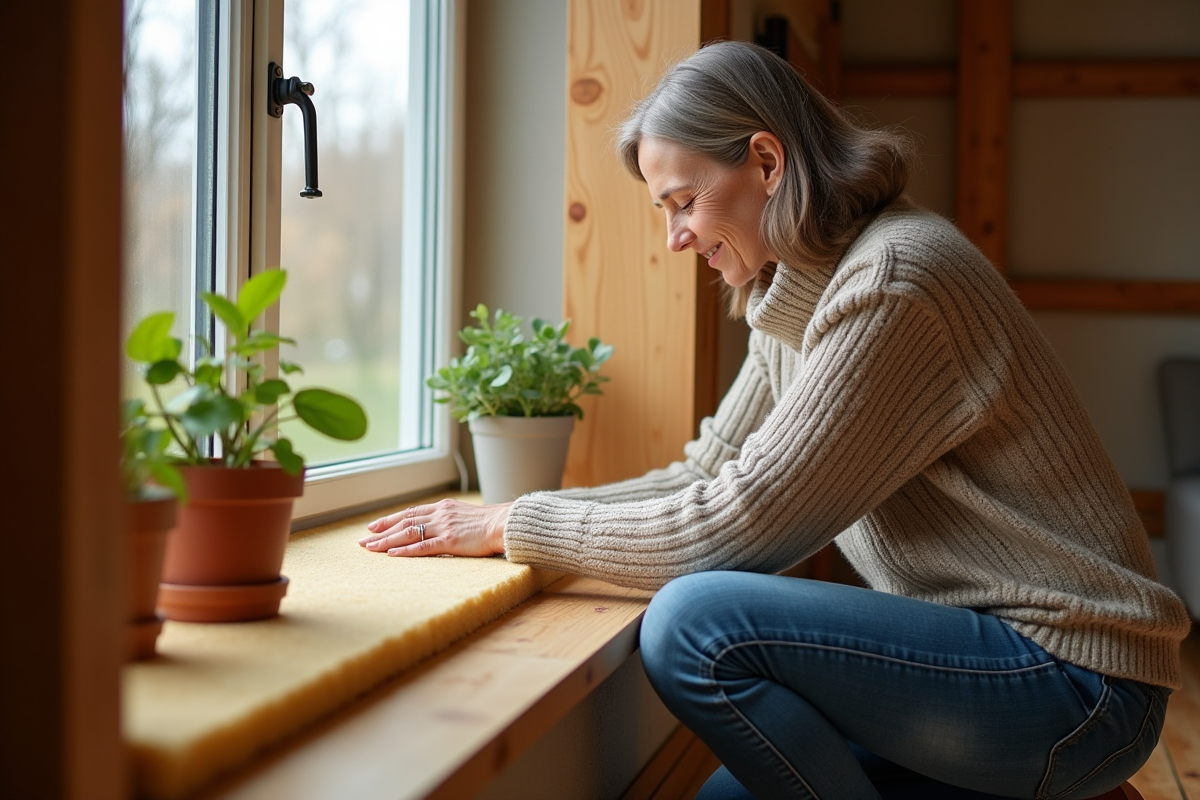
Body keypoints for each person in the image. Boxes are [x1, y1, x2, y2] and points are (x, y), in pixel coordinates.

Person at [358, 41, 1190, 800]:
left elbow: (738, 526)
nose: (677, 238)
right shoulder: (795, 292)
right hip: (987, 659)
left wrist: (515, 521)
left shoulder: (893, 282)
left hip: (1075, 685)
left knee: (698, 623)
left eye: (683, 201)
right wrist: (514, 523)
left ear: (765, 160)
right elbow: (703, 474)